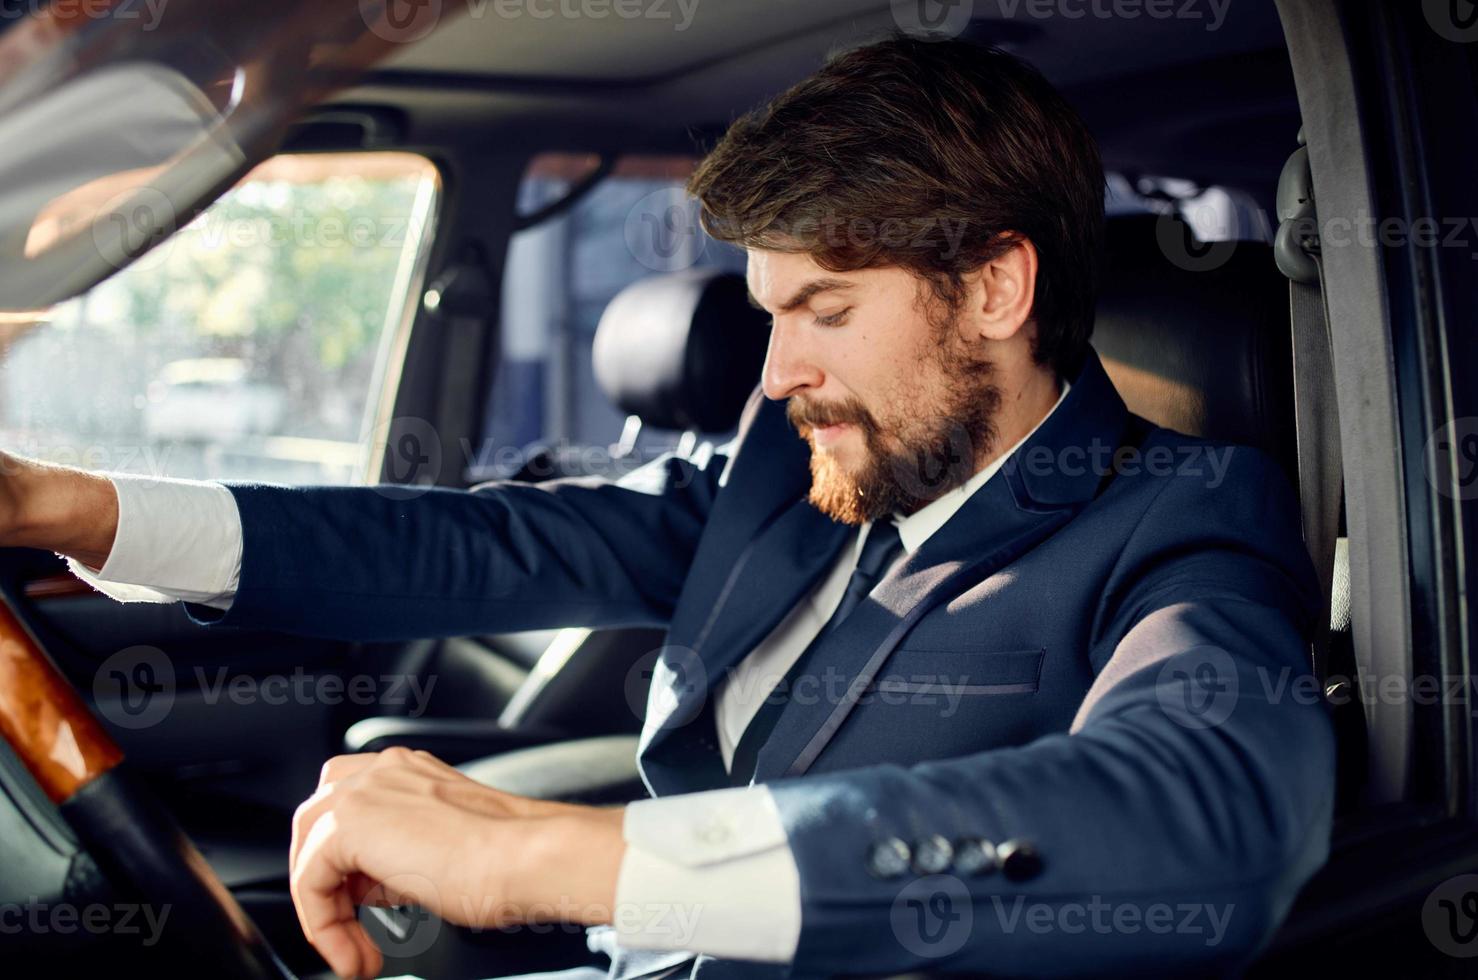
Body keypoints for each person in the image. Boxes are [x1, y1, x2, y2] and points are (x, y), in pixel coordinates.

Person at [1, 35, 1334, 980]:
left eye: (826, 309)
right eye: (767, 312)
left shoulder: (1179, 516)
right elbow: (487, 545)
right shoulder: (793, 463)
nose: (772, 372)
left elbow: (1199, 820)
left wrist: (557, 859)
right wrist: (76, 509)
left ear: (993, 289)